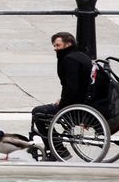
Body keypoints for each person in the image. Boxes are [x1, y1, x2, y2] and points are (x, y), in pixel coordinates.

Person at [30, 32, 93, 161]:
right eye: (54, 46)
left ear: (68, 44)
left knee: (38, 113)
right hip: (84, 102)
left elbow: (72, 87)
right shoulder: (81, 56)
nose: (55, 48)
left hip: (76, 106)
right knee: (45, 112)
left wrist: (63, 103)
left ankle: (57, 149)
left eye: (58, 45)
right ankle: (57, 147)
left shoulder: (69, 60)